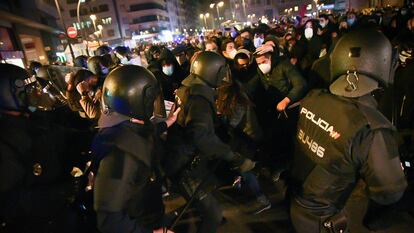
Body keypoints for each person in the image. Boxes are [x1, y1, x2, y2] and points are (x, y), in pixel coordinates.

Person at [290, 29, 407, 233]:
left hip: (297, 204)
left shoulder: (313, 98)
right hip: (326, 220)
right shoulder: (370, 128)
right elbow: (389, 192)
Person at [165, 51, 255, 233]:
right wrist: (235, 158)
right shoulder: (199, 99)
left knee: (208, 200)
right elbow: (201, 136)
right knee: (212, 213)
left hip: (183, 160)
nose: (223, 75)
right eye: (221, 71)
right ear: (212, 72)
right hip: (186, 166)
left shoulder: (187, 88)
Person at [0, 64, 84, 233]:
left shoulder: (32, 119)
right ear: (6, 94)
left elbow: (66, 136)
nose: (34, 94)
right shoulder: (6, 140)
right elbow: (12, 202)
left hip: (62, 215)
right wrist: (64, 190)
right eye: (25, 90)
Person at [91, 65, 174, 233]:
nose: (153, 105)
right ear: (136, 101)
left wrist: (165, 124)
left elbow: (142, 135)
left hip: (148, 217)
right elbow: (110, 221)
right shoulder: (120, 153)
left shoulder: (126, 128)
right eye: (150, 101)